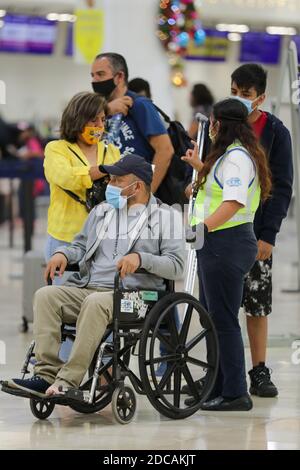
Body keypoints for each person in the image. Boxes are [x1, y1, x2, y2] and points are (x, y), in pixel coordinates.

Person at [7, 155, 185, 396]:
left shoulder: (166, 216)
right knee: (46, 296)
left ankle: (67, 382)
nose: (110, 184)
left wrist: (142, 259)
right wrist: (63, 254)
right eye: (110, 178)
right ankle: (45, 375)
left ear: (138, 186)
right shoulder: (102, 211)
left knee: (94, 302)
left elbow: (176, 266)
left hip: (138, 297)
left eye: (118, 180)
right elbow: (79, 246)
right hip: (90, 288)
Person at [185, 64, 293, 398]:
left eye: (245, 94)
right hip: (218, 234)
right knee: (216, 310)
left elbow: (282, 186)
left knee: (255, 306)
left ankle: (257, 370)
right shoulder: (220, 130)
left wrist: (269, 235)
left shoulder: (275, 132)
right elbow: (217, 179)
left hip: (249, 232)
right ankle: (219, 376)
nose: (239, 98)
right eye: (235, 90)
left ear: (261, 97)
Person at [183, 98, 272, 411]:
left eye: (213, 122)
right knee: (212, 318)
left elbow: (232, 203)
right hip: (217, 244)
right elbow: (220, 191)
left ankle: (235, 393)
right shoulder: (227, 157)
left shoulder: (235, 158)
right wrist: (199, 171)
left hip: (227, 243)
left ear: (222, 125)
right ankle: (216, 385)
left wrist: (201, 228)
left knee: (222, 321)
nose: (210, 128)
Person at [43, 92, 120, 262]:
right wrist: (104, 170)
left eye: (103, 119)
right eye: (94, 120)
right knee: (63, 289)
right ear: (77, 119)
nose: (100, 125)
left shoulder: (111, 150)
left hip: (104, 238)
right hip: (65, 240)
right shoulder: (56, 149)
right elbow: (65, 177)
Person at [91, 53, 174, 195]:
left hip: (135, 195)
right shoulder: (99, 109)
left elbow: (165, 151)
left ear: (119, 77)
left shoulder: (140, 105)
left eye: (100, 74)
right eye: (92, 75)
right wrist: (107, 109)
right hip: (109, 194)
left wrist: (147, 195)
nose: (95, 80)